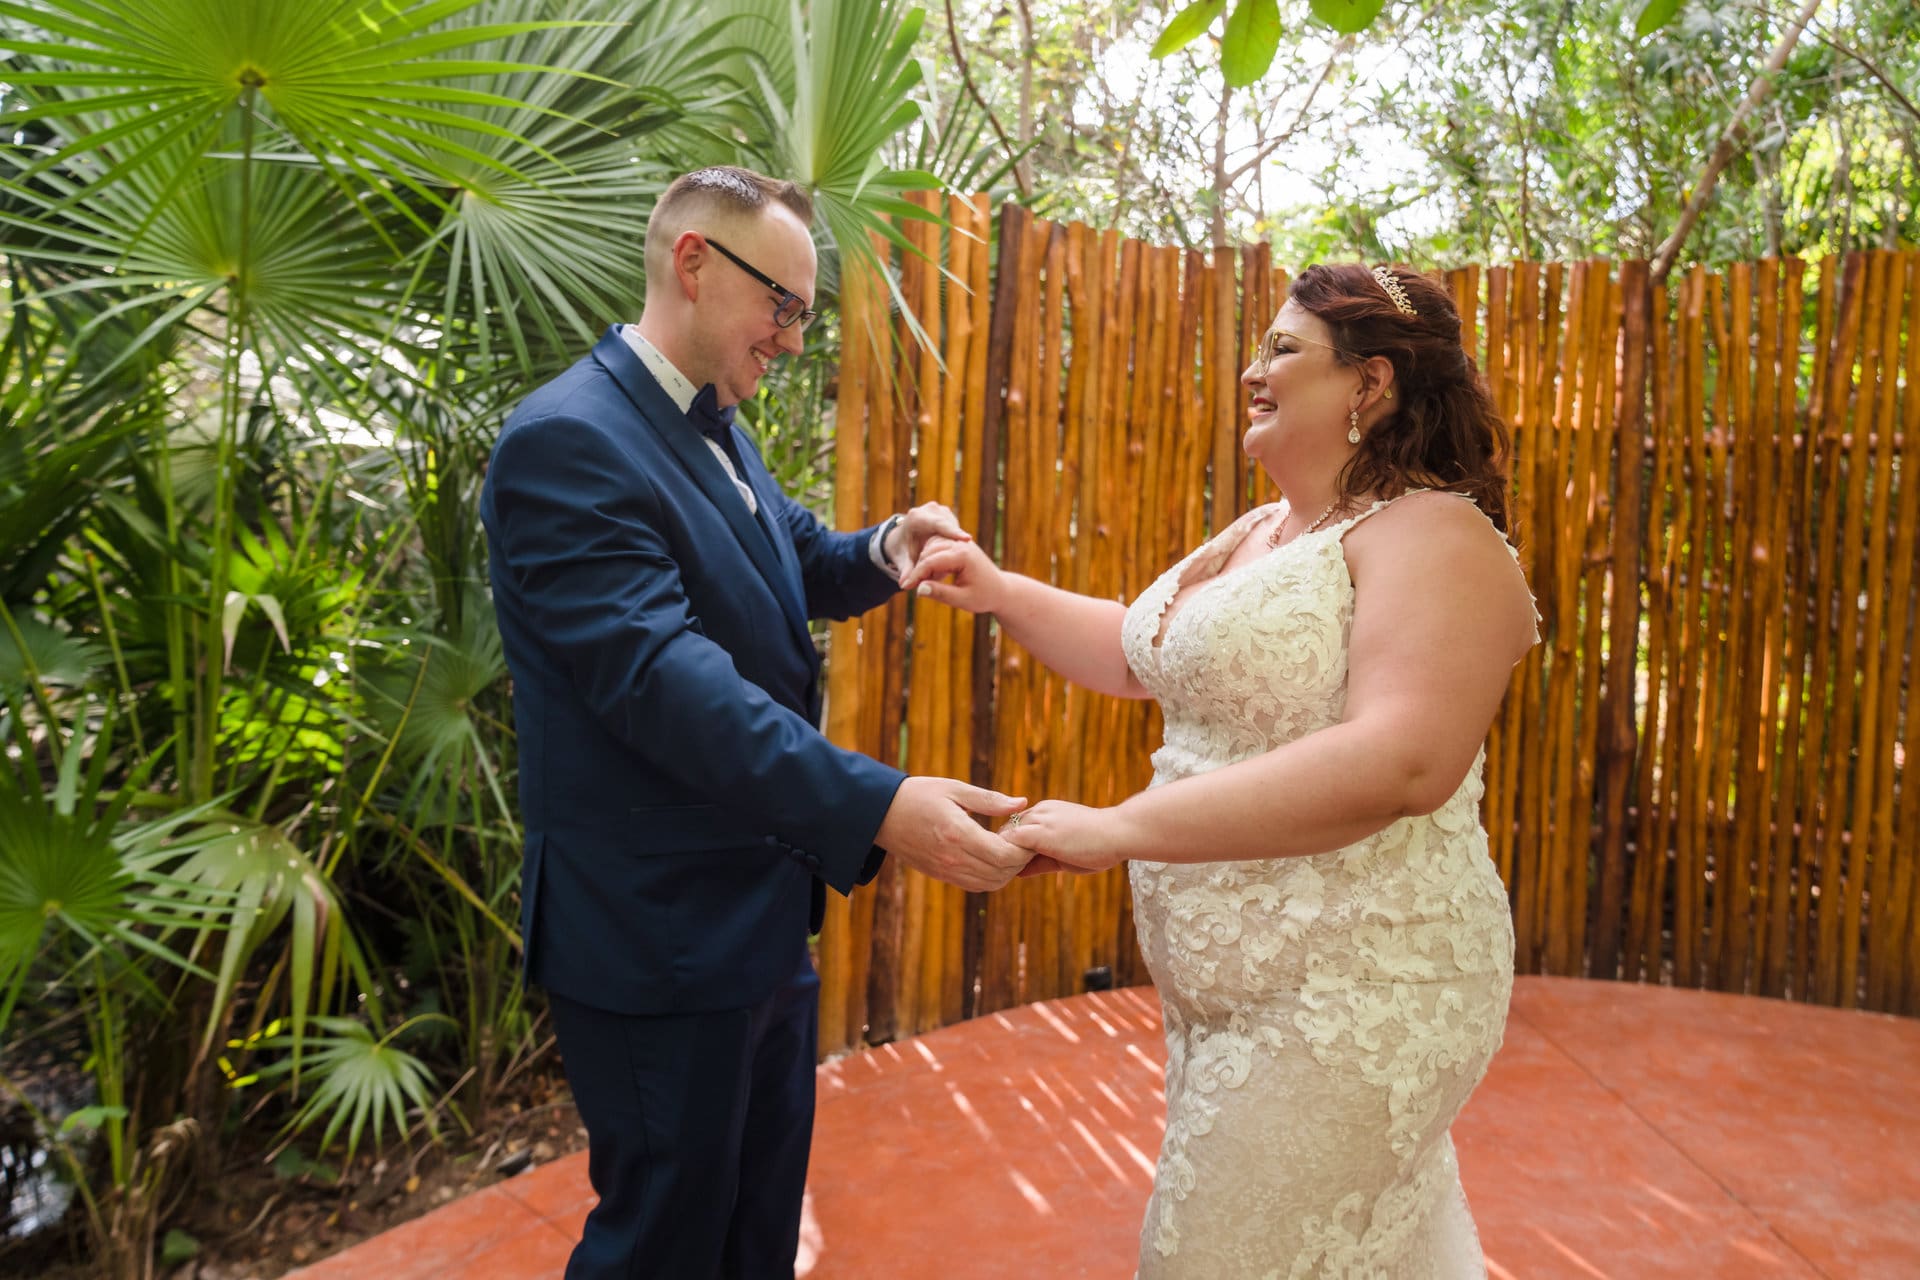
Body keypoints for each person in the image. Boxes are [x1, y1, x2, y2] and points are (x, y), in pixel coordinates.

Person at [905, 263, 1539, 1277]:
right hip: (1227, 1000)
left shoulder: (1436, 534)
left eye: (1283, 349)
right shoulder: (1264, 535)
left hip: (1358, 989)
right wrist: (1000, 591)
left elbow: (1402, 759)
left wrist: (1118, 827)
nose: (1253, 368)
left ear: (1370, 383)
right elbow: (1134, 649)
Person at [479, 165, 1028, 1280]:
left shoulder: (717, 424)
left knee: (753, 1228)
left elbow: (790, 563)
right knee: (664, 1240)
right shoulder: (565, 441)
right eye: (781, 303)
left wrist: (889, 546)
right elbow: (663, 678)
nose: (789, 335)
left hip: (759, 919)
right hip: (655, 932)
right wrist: (877, 800)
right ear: (692, 261)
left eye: (802, 312)